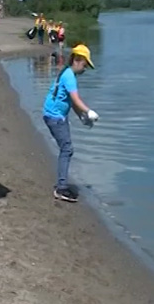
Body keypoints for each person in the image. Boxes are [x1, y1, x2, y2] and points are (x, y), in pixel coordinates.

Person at [42, 44, 99, 203]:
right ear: (78, 60)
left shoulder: (66, 73)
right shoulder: (69, 77)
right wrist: (89, 111)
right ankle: (61, 188)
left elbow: (69, 101)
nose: (85, 68)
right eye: (85, 64)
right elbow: (75, 99)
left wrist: (82, 116)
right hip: (55, 117)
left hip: (54, 115)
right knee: (67, 149)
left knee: (66, 148)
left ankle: (62, 184)